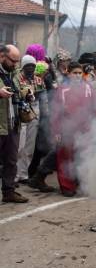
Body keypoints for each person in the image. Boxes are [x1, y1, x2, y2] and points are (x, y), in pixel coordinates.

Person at [51, 62, 96, 196]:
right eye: (74, 73)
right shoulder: (62, 89)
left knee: (84, 156)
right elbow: (55, 112)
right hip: (67, 129)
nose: (77, 76)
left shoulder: (88, 88)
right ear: (68, 74)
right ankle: (67, 186)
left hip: (85, 129)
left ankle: (83, 183)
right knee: (65, 158)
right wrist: (57, 131)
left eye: (79, 73)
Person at [0, 45, 28, 203]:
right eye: (13, 61)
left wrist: (26, 94)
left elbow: (19, 91)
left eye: (18, 61)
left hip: (13, 123)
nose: (16, 64)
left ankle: (9, 192)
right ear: (2, 56)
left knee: (11, 160)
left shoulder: (15, 73)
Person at [16, 55, 45, 183]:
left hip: (34, 111)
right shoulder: (17, 78)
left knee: (29, 146)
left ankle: (23, 174)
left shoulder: (39, 80)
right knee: (19, 146)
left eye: (33, 66)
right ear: (23, 66)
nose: (30, 68)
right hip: (20, 111)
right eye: (28, 65)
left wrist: (45, 113)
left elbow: (43, 98)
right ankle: (14, 175)